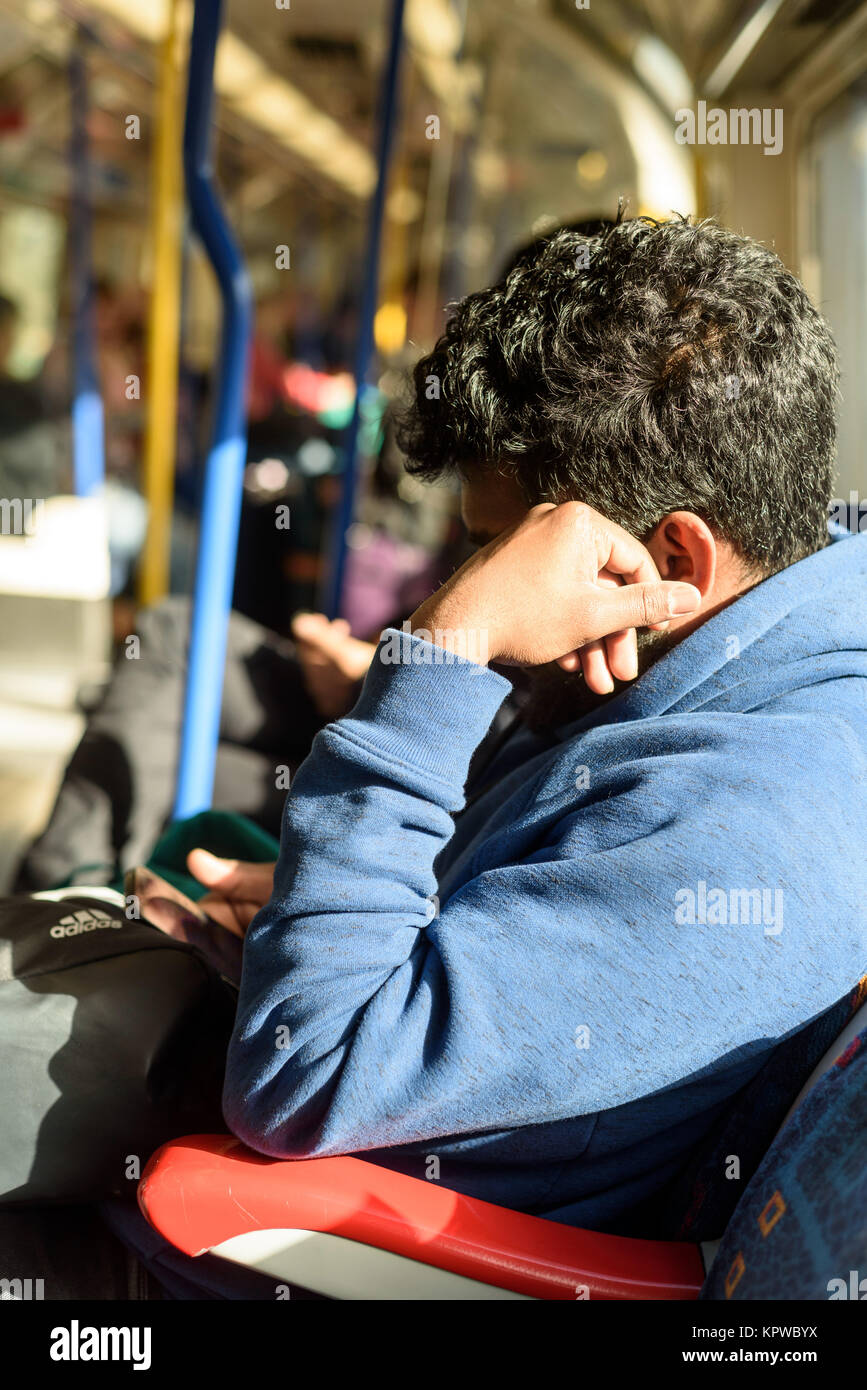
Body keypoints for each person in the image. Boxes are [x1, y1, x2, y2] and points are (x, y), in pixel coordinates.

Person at [207, 215, 866, 1235]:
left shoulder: (748, 826)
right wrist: (329, 911)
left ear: (674, 567)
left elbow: (306, 1071)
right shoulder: (728, 670)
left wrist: (444, 648)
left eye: (491, 557)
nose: (478, 593)